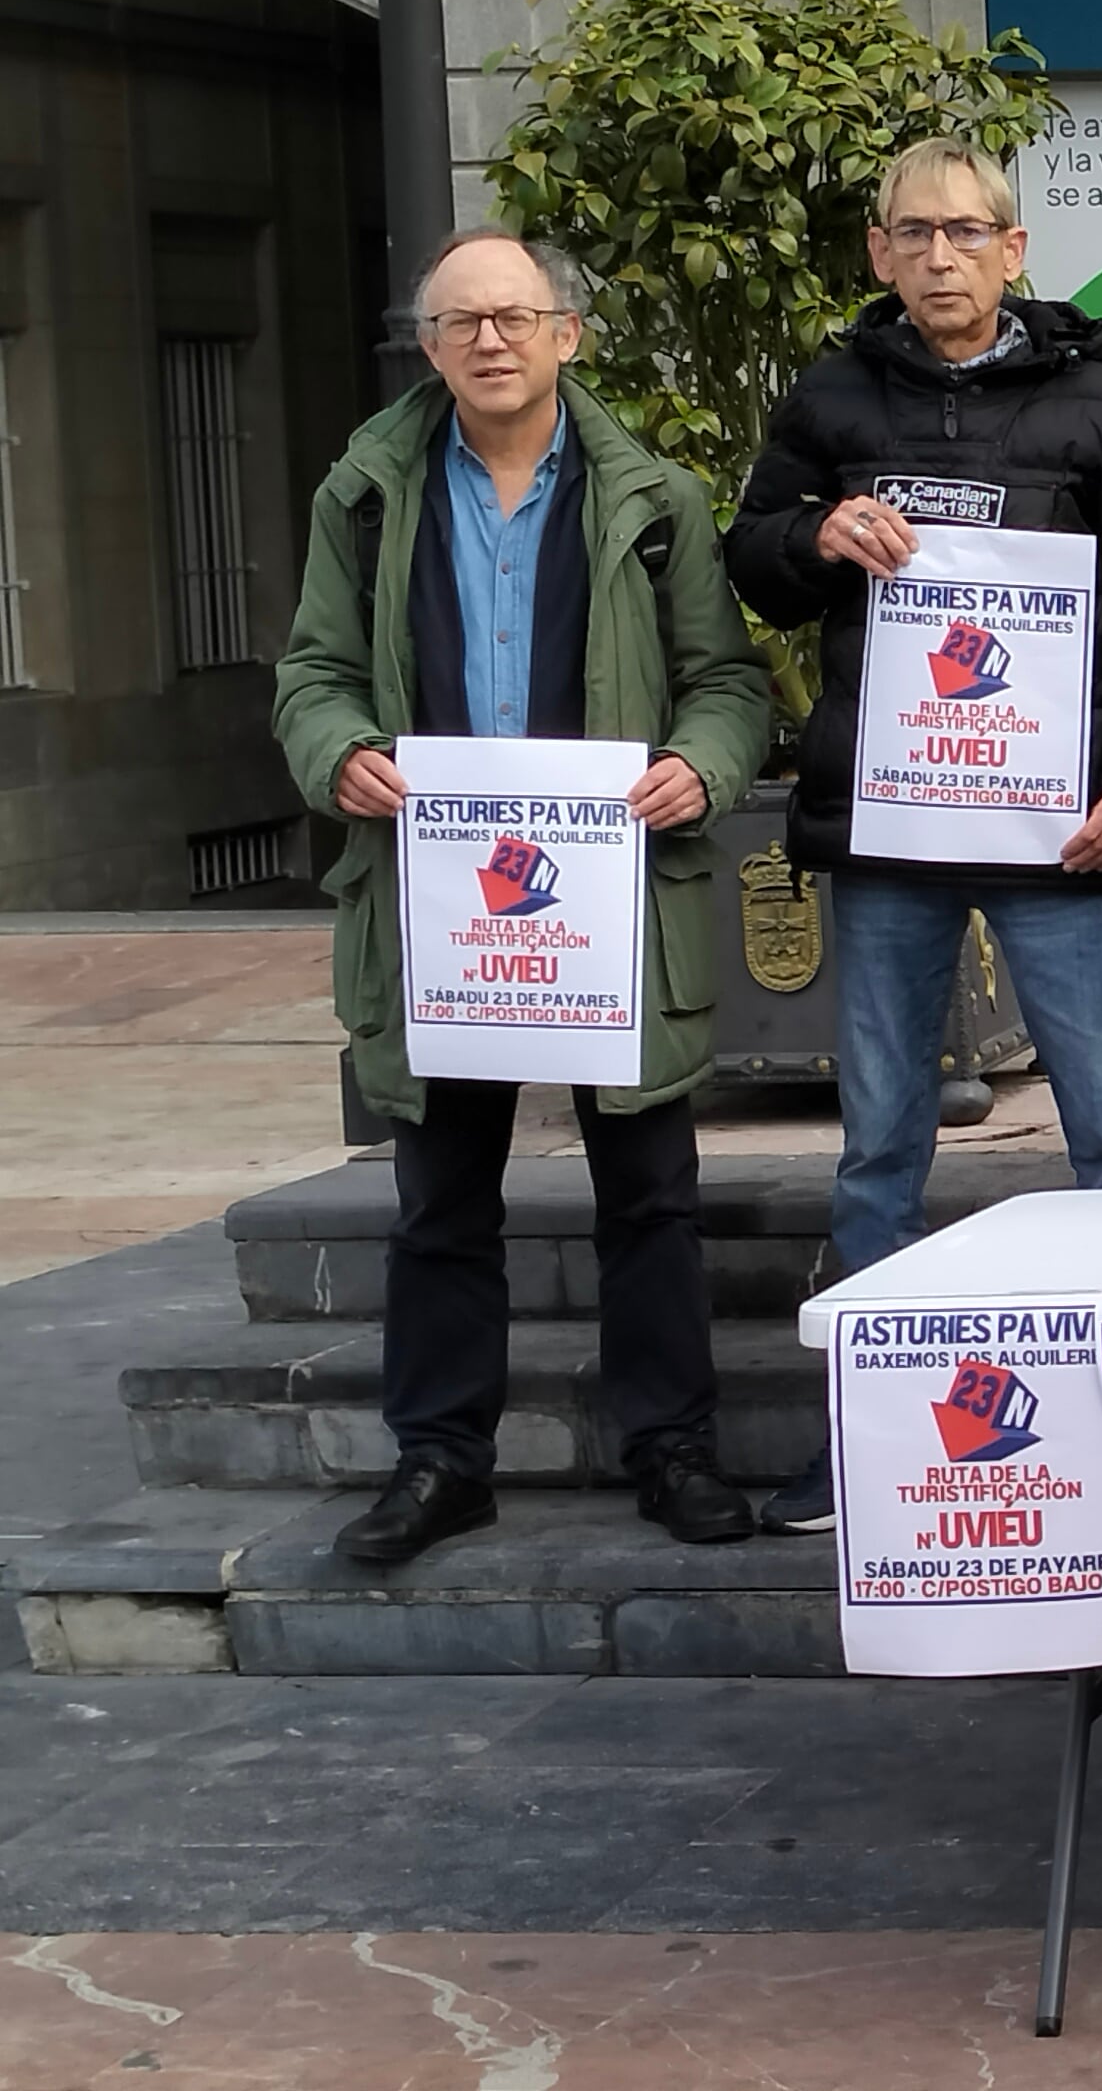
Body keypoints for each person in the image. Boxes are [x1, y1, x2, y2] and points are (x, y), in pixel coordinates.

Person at [728, 137, 1102, 1535]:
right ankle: (866, 1447)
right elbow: (747, 557)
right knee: (876, 1148)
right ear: (880, 254)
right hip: (889, 838)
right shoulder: (832, 396)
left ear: (1016, 251)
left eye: (968, 233)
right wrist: (817, 535)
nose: (940, 256)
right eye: (914, 234)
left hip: (1059, 838)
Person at [269, 227, 770, 1560]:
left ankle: (672, 1451)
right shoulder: (368, 498)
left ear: (567, 334)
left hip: (612, 911)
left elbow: (729, 682)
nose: (491, 340)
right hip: (442, 909)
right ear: (427, 348)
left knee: (651, 1195)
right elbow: (310, 674)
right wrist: (341, 755)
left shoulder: (654, 502)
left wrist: (698, 769)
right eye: (461, 322)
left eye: (516, 315)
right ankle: (441, 1461)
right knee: (441, 1199)